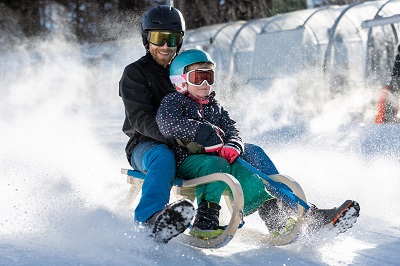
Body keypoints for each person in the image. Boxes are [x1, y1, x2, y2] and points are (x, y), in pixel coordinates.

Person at [156, 49, 361, 239]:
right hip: (187, 162)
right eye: (198, 77)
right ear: (180, 81)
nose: (205, 84)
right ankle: (205, 221)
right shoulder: (173, 102)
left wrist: (233, 145)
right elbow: (168, 124)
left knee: (250, 169)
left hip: (217, 161)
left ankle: (289, 218)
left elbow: (232, 130)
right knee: (217, 166)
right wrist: (205, 134)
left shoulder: (214, 106)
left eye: (209, 77)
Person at [119, 5, 195, 243]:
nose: (165, 46)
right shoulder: (135, 73)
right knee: (163, 157)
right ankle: (150, 219)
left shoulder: (186, 71)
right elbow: (140, 118)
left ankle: (278, 208)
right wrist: (178, 138)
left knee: (244, 154)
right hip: (145, 146)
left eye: (171, 39)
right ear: (146, 39)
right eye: (158, 38)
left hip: (187, 146)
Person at [375, 42, 400, 123]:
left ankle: (388, 118)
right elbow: (395, 72)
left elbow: (395, 72)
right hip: (396, 83)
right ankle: (388, 118)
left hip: (396, 82)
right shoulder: (399, 56)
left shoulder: (398, 56)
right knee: (390, 97)